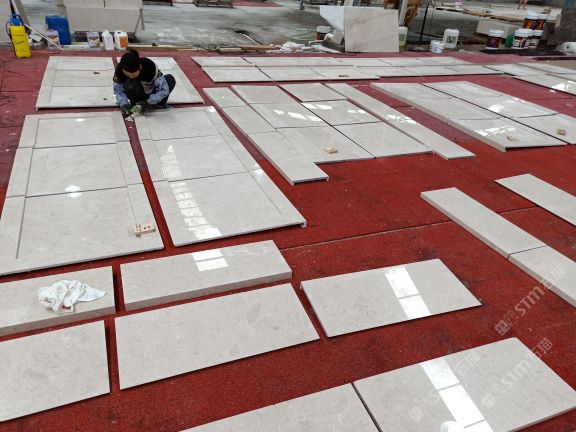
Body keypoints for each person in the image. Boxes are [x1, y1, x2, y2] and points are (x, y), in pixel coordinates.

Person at [113, 50, 176, 117]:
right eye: (127, 75)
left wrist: (148, 102)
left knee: (169, 80)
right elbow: (118, 90)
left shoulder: (150, 67)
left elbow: (164, 90)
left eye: (134, 75)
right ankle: (136, 103)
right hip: (136, 92)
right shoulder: (120, 70)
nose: (131, 76)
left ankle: (155, 104)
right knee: (131, 82)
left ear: (140, 67)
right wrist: (124, 104)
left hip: (149, 91)